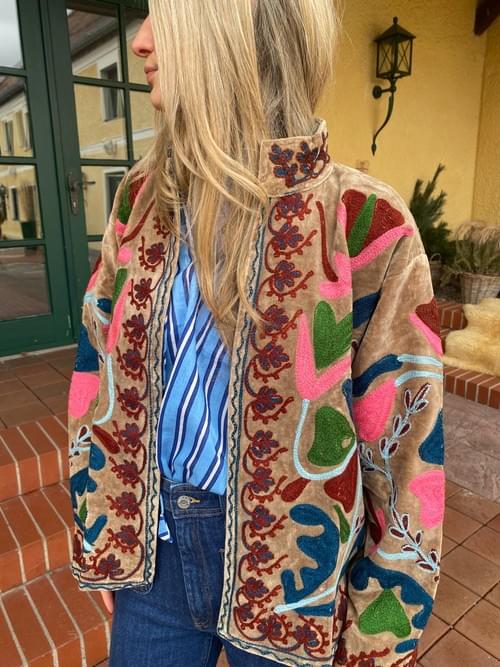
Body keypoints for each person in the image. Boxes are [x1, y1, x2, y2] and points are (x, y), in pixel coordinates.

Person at [67, 2, 445, 666]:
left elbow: (408, 454)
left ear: (232, 26)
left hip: (295, 582)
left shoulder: (364, 223)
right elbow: (95, 369)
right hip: (152, 561)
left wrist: (380, 634)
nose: (141, 42)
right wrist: (101, 525)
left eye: (163, 16)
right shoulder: (141, 200)